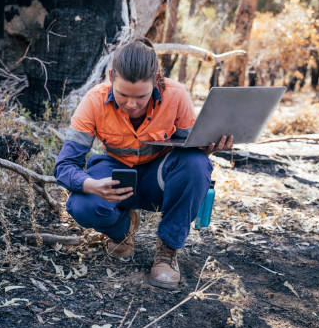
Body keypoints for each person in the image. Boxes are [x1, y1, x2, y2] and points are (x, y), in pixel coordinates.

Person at [53, 38, 233, 290]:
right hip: (116, 177)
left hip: (158, 179)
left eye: (141, 96)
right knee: (81, 205)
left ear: (157, 79)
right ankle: (122, 231)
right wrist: (92, 184)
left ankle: (168, 251)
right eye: (123, 95)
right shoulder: (93, 101)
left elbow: (190, 156)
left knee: (196, 163)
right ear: (110, 76)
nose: (132, 105)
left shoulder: (176, 95)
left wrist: (209, 147)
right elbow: (64, 167)